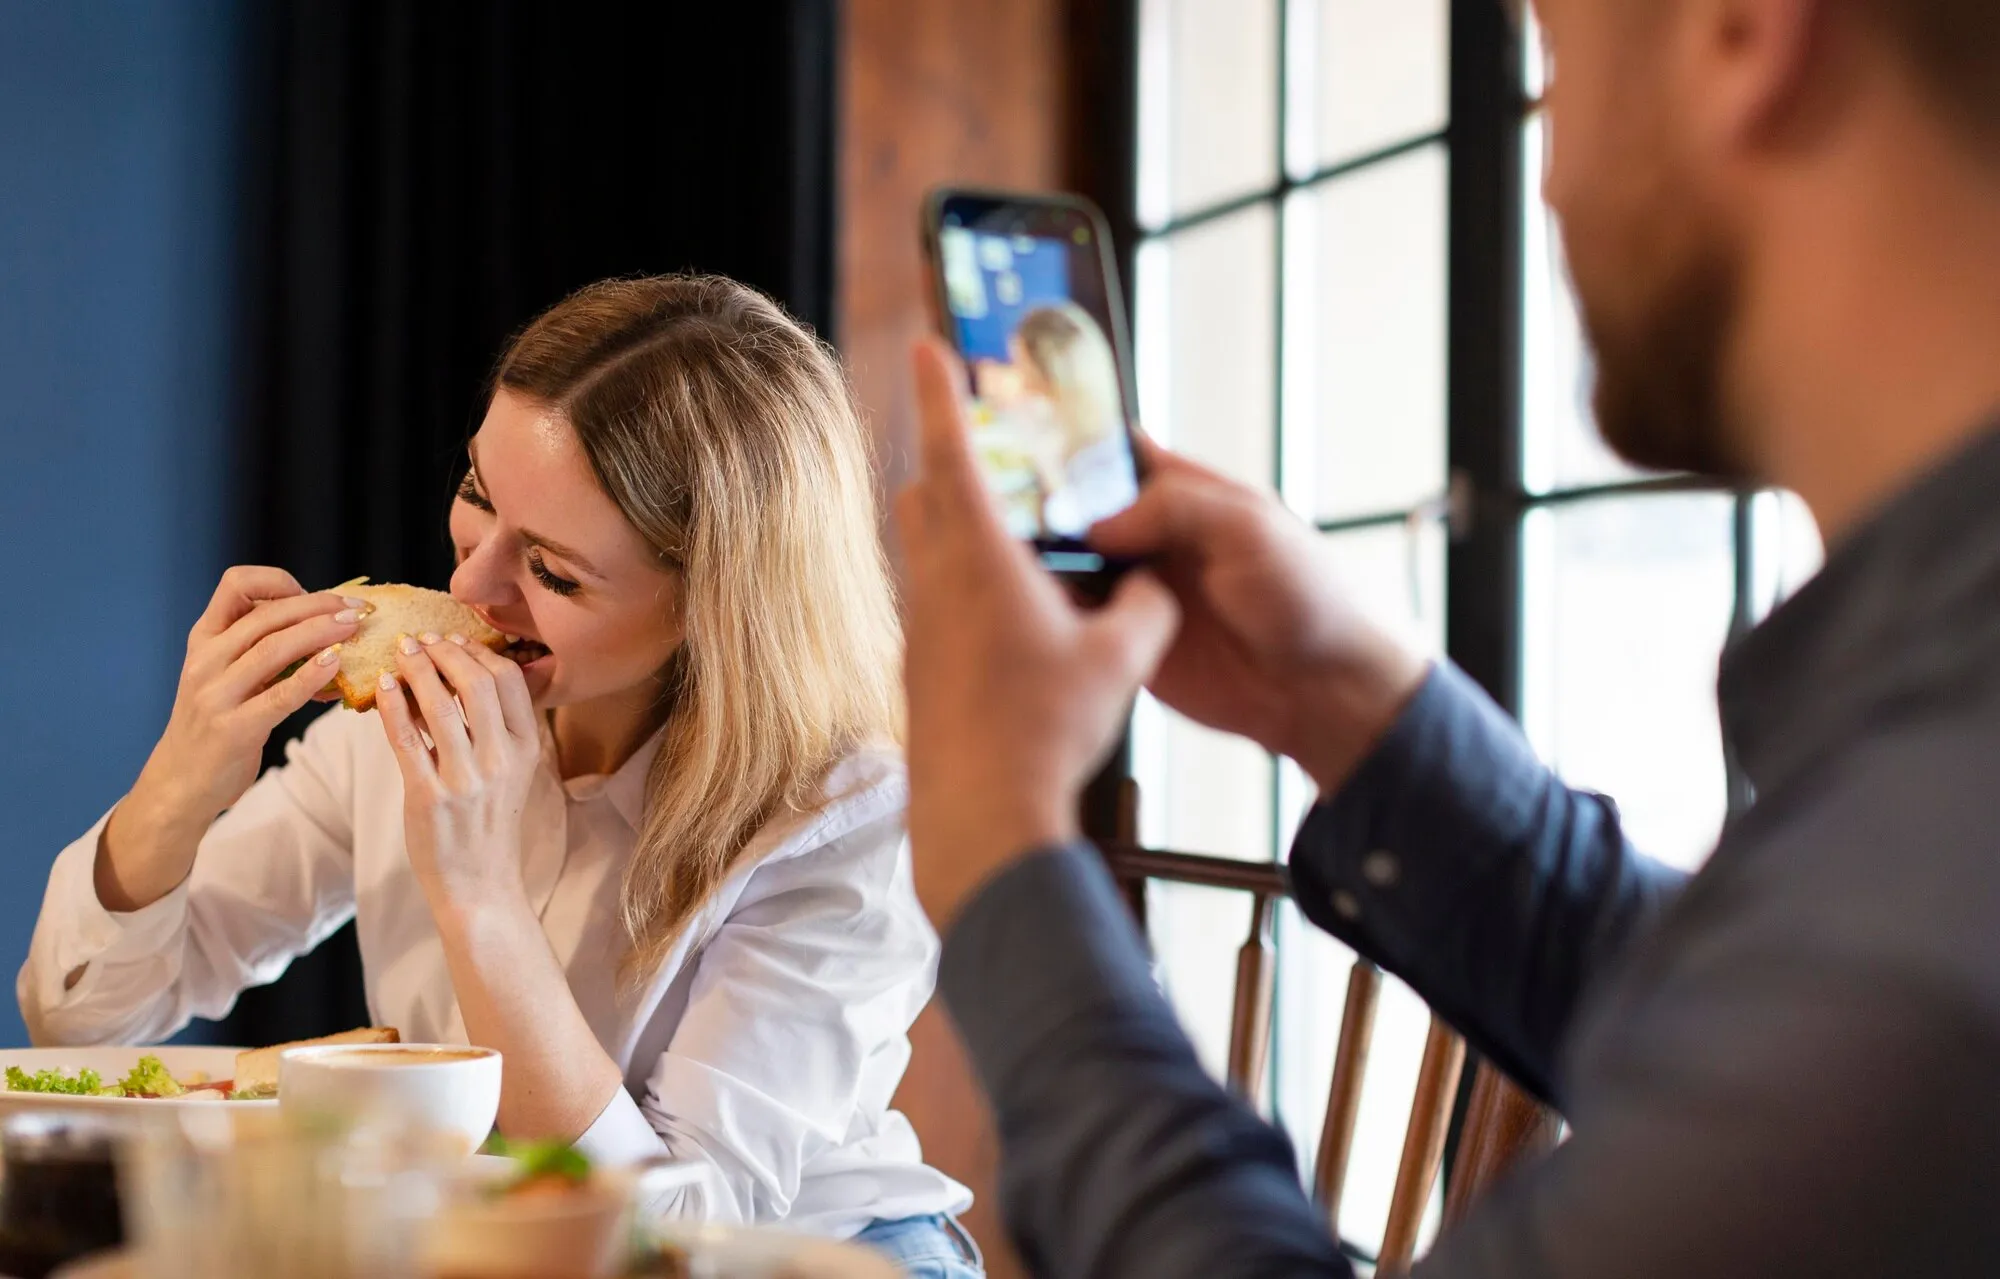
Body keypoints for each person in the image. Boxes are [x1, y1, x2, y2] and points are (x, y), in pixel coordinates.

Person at [897, 0, 2000, 1274]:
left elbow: (1832, 1045)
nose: (1544, 179)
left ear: (1739, 32)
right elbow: (1757, 1040)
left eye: (1552, 57)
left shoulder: (1920, 933)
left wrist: (1004, 863)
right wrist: (1356, 709)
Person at [19, 275, 982, 1274]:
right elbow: (81, 1024)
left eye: (555, 572)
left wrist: (477, 891)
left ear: (714, 606)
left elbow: (669, 1235)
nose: (470, 586)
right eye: (477, 493)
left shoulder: (848, 818)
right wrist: (186, 770)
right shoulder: (392, 724)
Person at [1005, 302, 1136, 538]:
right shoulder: (1065, 423)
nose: (1021, 382)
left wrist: (1043, 458)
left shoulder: (1110, 449)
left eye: (1022, 367)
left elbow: (1077, 529)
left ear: (1050, 372)